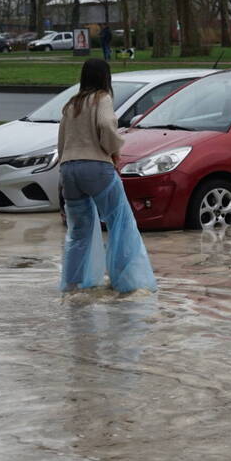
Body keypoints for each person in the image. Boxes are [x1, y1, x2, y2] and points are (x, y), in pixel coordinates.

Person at [57, 58, 157, 294]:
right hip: (96, 167)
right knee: (120, 223)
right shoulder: (102, 98)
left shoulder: (71, 104)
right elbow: (106, 124)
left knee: (78, 233)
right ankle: (128, 283)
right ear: (105, 77)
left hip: (69, 170)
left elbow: (61, 141)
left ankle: (73, 285)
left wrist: (65, 166)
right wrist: (113, 150)